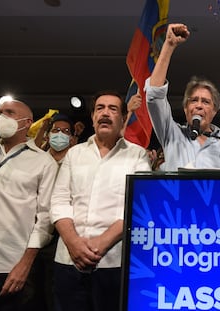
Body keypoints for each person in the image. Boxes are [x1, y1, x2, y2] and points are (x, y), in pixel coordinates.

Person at [50, 90, 151, 311]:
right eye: (100, 108)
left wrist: (100, 243)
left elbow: (137, 205)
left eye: (112, 109)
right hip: (68, 259)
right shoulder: (75, 154)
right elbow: (59, 201)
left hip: (113, 263)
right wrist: (74, 243)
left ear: (124, 118)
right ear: (93, 117)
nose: (105, 113)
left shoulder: (137, 155)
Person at [0, 99, 58, 311]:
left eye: (9, 112)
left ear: (27, 122)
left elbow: (45, 220)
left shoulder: (43, 162)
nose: (1, 117)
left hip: (8, 265)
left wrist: (25, 264)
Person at [145, 23, 220, 172]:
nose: (199, 105)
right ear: (186, 109)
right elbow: (154, 96)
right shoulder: (172, 134)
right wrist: (169, 45)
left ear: (214, 110)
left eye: (206, 102)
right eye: (194, 100)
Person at [30, 113, 76, 311]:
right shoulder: (36, 159)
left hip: (60, 234)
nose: (60, 135)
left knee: (52, 287)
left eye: (65, 132)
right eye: (56, 130)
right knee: (30, 289)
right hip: (30, 230)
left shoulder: (74, 162)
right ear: (48, 135)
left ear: (72, 138)